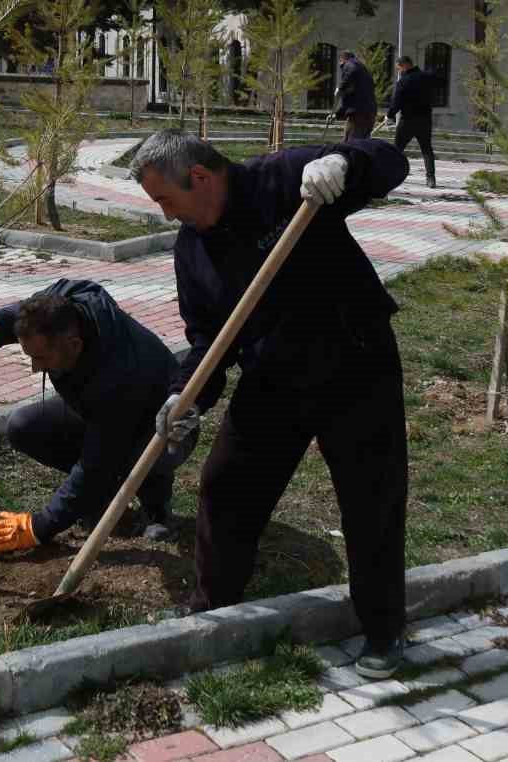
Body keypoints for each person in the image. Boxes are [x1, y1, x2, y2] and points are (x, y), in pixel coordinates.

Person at [130, 129, 411, 679]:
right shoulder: (193, 249)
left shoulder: (283, 181)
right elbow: (208, 340)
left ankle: (383, 631)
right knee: (226, 484)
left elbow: (389, 161)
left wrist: (344, 163)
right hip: (274, 378)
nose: (166, 214)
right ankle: (213, 608)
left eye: (166, 199)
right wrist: (185, 395)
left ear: (200, 177)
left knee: (370, 497)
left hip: (355, 364)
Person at [0, 278, 190, 553]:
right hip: (103, 414)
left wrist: (41, 526)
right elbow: (29, 314)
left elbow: (96, 461)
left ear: (75, 345)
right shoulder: (67, 301)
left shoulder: (117, 375)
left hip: (166, 429)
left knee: (132, 455)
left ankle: (156, 508)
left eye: (41, 358)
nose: (35, 368)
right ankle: (103, 495)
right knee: (23, 426)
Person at [385, 55, 438, 188]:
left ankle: (390, 175)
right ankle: (431, 179)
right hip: (425, 119)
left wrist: (389, 115)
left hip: (407, 120)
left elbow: (396, 101)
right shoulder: (426, 77)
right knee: (427, 150)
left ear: (404, 65)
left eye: (399, 68)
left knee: (397, 149)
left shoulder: (404, 81)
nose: (399, 71)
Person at [334, 49, 377, 140]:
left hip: (359, 115)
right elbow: (351, 98)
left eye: (341, 64)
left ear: (343, 59)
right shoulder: (363, 70)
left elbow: (351, 72)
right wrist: (337, 114)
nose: (341, 67)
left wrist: (340, 87)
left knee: (351, 143)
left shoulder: (351, 65)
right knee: (360, 142)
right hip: (370, 112)